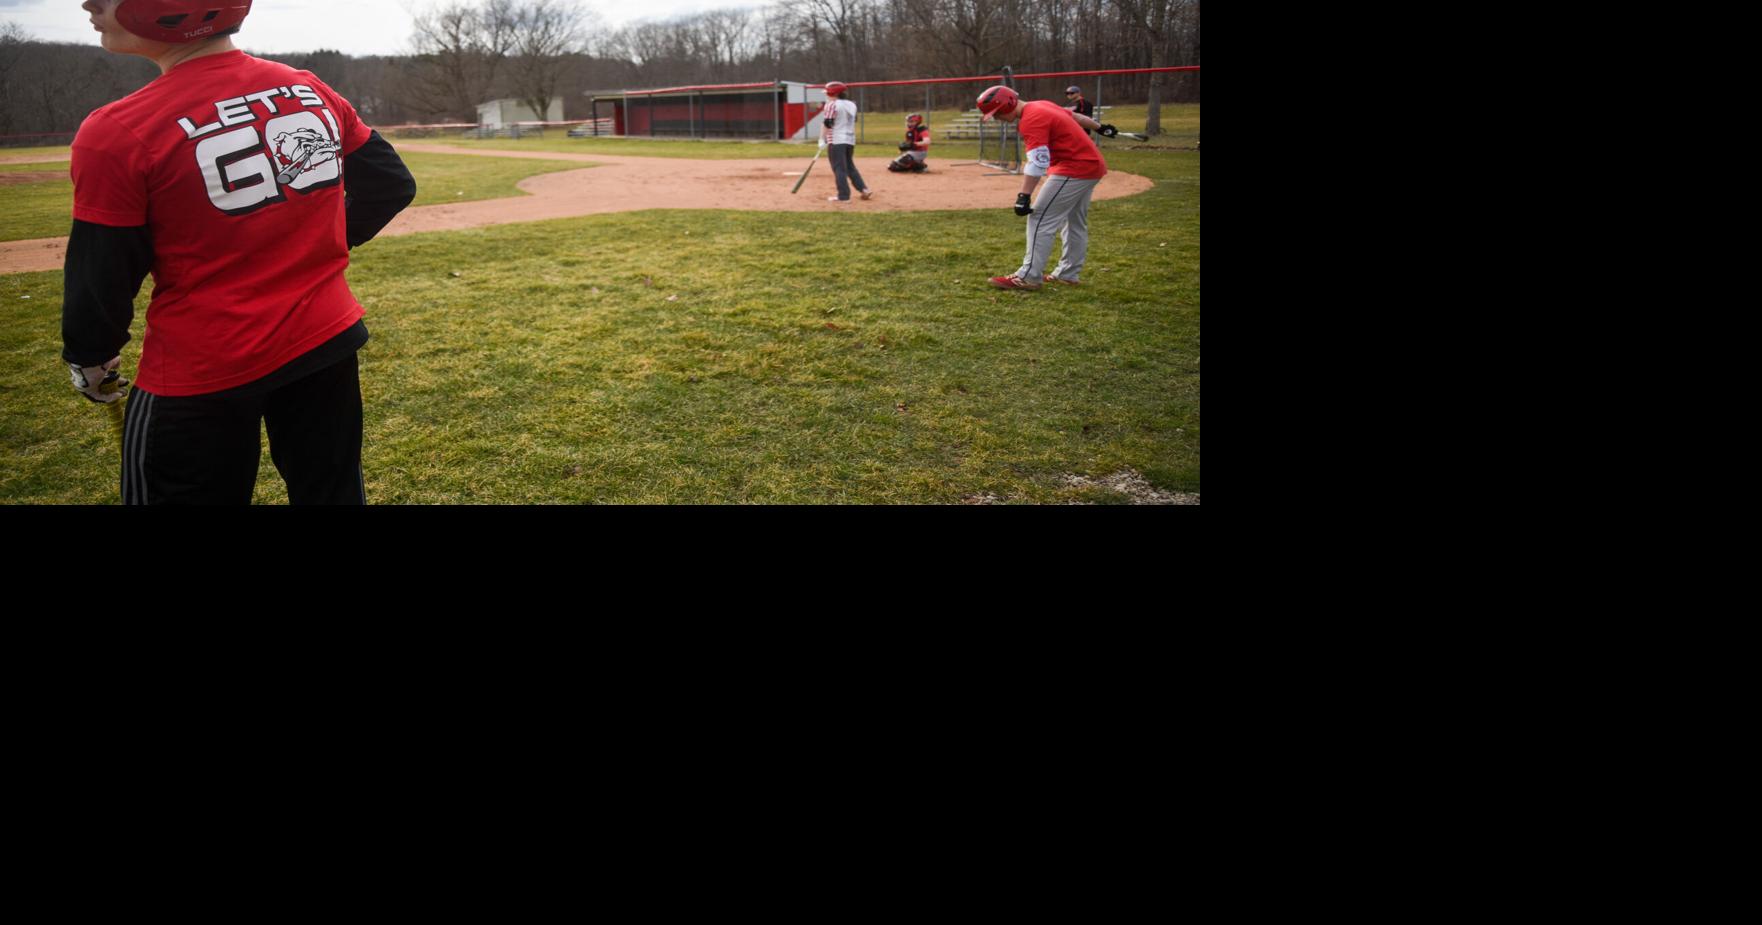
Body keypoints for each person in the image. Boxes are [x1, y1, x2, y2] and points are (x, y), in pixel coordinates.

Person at [63, 0, 416, 504]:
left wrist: (90, 356)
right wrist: (311, 244)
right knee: (331, 492)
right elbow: (390, 186)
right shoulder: (306, 87)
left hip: (200, 372)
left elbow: (102, 270)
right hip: (326, 341)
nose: (89, 5)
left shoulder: (118, 129)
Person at [975, 85, 1111, 290]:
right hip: (1091, 165)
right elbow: (1078, 119)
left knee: (1040, 218)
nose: (997, 119)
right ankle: (1068, 274)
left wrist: (1024, 196)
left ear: (1008, 105)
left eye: (997, 114)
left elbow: (1038, 162)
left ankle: (1028, 276)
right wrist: (1100, 127)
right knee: (1074, 221)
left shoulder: (1031, 120)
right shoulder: (1041, 105)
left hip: (1073, 168)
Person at [819, 80, 871, 202]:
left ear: (833, 93)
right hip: (850, 140)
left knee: (839, 168)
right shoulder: (852, 104)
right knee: (849, 166)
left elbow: (828, 123)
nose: (826, 95)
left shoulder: (831, 104)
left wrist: (822, 139)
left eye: (827, 92)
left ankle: (843, 196)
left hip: (837, 140)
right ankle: (864, 189)